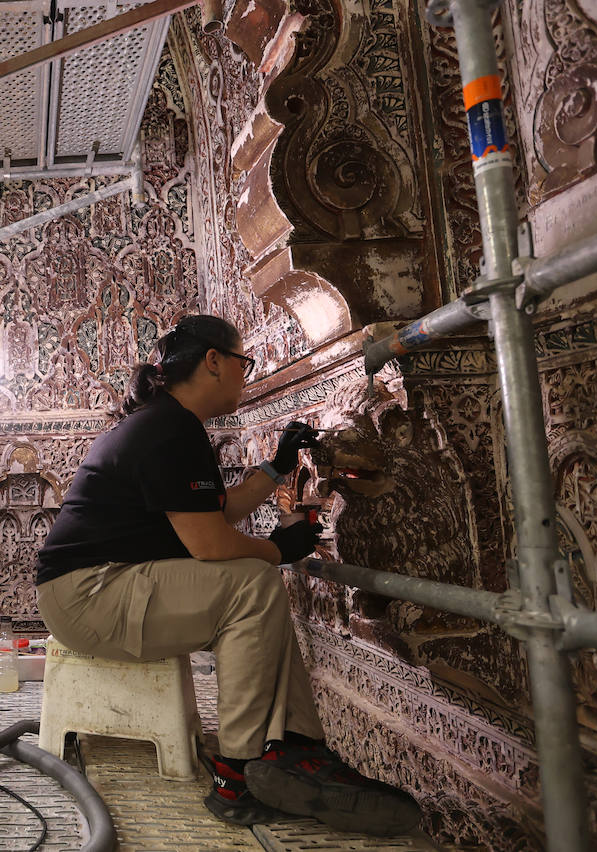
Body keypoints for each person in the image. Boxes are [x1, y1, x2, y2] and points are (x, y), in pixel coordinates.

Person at [35, 314, 421, 836]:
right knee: (253, 584)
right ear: (213, 361)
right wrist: (278, 548)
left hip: (97, 588)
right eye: (244, 362)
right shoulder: (169, 429)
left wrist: (279, 464)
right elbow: (211, 544)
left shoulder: (168, 422)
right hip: (88, 595)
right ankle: (238, 774)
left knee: (255, 582)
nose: (246, 374)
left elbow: (220, 511)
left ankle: (295, 748)